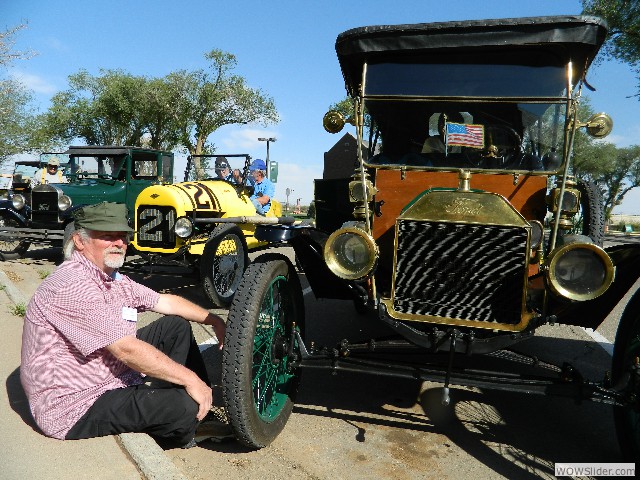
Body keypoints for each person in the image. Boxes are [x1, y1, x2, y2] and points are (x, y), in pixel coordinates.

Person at [20, 202, 230, 448]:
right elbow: (126, 350)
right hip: (75, 403)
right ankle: (184, 428)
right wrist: (191, 380)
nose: (119, 243)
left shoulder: (110, 276)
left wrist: (213, 320)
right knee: (185, 405)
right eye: (107, 236)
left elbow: (165, 302)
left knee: (175, 327)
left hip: (106, 371)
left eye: (123, 236)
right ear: (79, 241)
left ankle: (187, 404)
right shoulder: (72, 285)